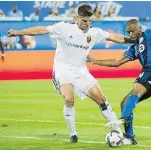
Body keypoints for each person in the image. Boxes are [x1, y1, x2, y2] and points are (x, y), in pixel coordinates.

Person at [8, 4, 134, 144]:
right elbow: (41, 30)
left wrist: (132, 40)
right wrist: (18, 32)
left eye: (90, 21)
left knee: (101, 98)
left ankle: (116, 129)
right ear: (77, 18)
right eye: (85, 21)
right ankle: (73, 134)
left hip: (81, 71)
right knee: (69, 99)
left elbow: (113, 37)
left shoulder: (94, 32)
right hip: (63, 69)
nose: (87, 24)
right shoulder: (64, 27)